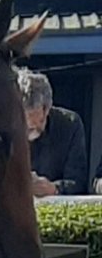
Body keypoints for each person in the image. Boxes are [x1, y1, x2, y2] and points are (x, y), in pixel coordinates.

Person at [18, 69, 87, 197]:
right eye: (22, 118)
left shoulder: (70, 125)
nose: (28, 124)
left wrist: (54, 189)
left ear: (47, 109)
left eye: (34, 116)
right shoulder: (4, 127)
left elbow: (78, 182)